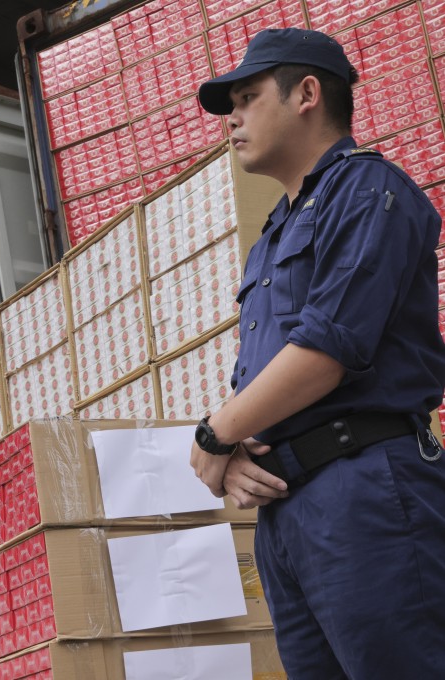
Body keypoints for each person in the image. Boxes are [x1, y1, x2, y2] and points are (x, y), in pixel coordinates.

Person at [188, 27, 445, 679]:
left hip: (364, 492)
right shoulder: (272, 236)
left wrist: (218, 434)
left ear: (306, 93)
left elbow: (328, 348)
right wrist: (240, 454)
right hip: (288, 509)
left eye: (247, 97)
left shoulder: (369, 192)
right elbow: (261, 371)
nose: (233, 119)